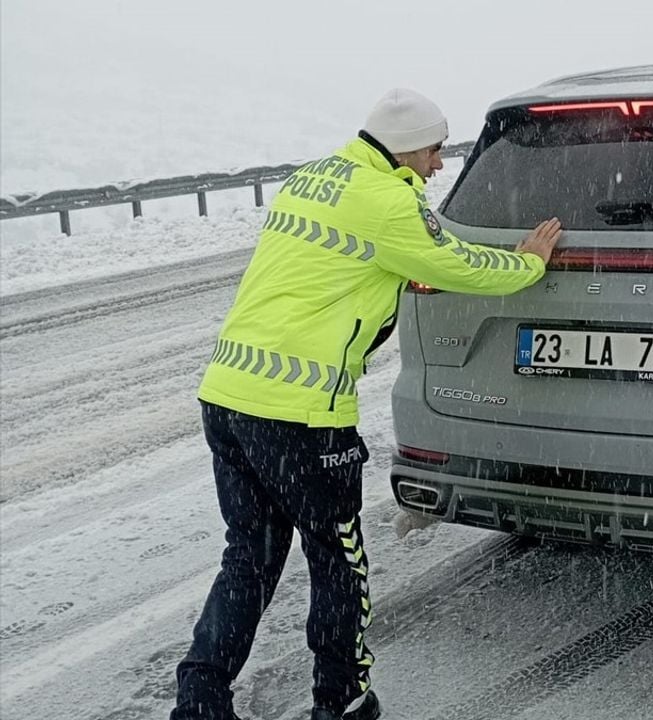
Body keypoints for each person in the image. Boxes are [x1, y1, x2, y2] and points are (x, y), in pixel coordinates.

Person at [171, 88, 563, 720]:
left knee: (249, 555)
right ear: (408, 146)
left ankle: (199, 701)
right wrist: (527, 265)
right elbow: (456, 263)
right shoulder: (388, 203)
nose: (438, 165)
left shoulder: (314, 178)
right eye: (436, 150)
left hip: (227, 395)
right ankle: (342, 700)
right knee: (337, 558)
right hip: (301, 415)